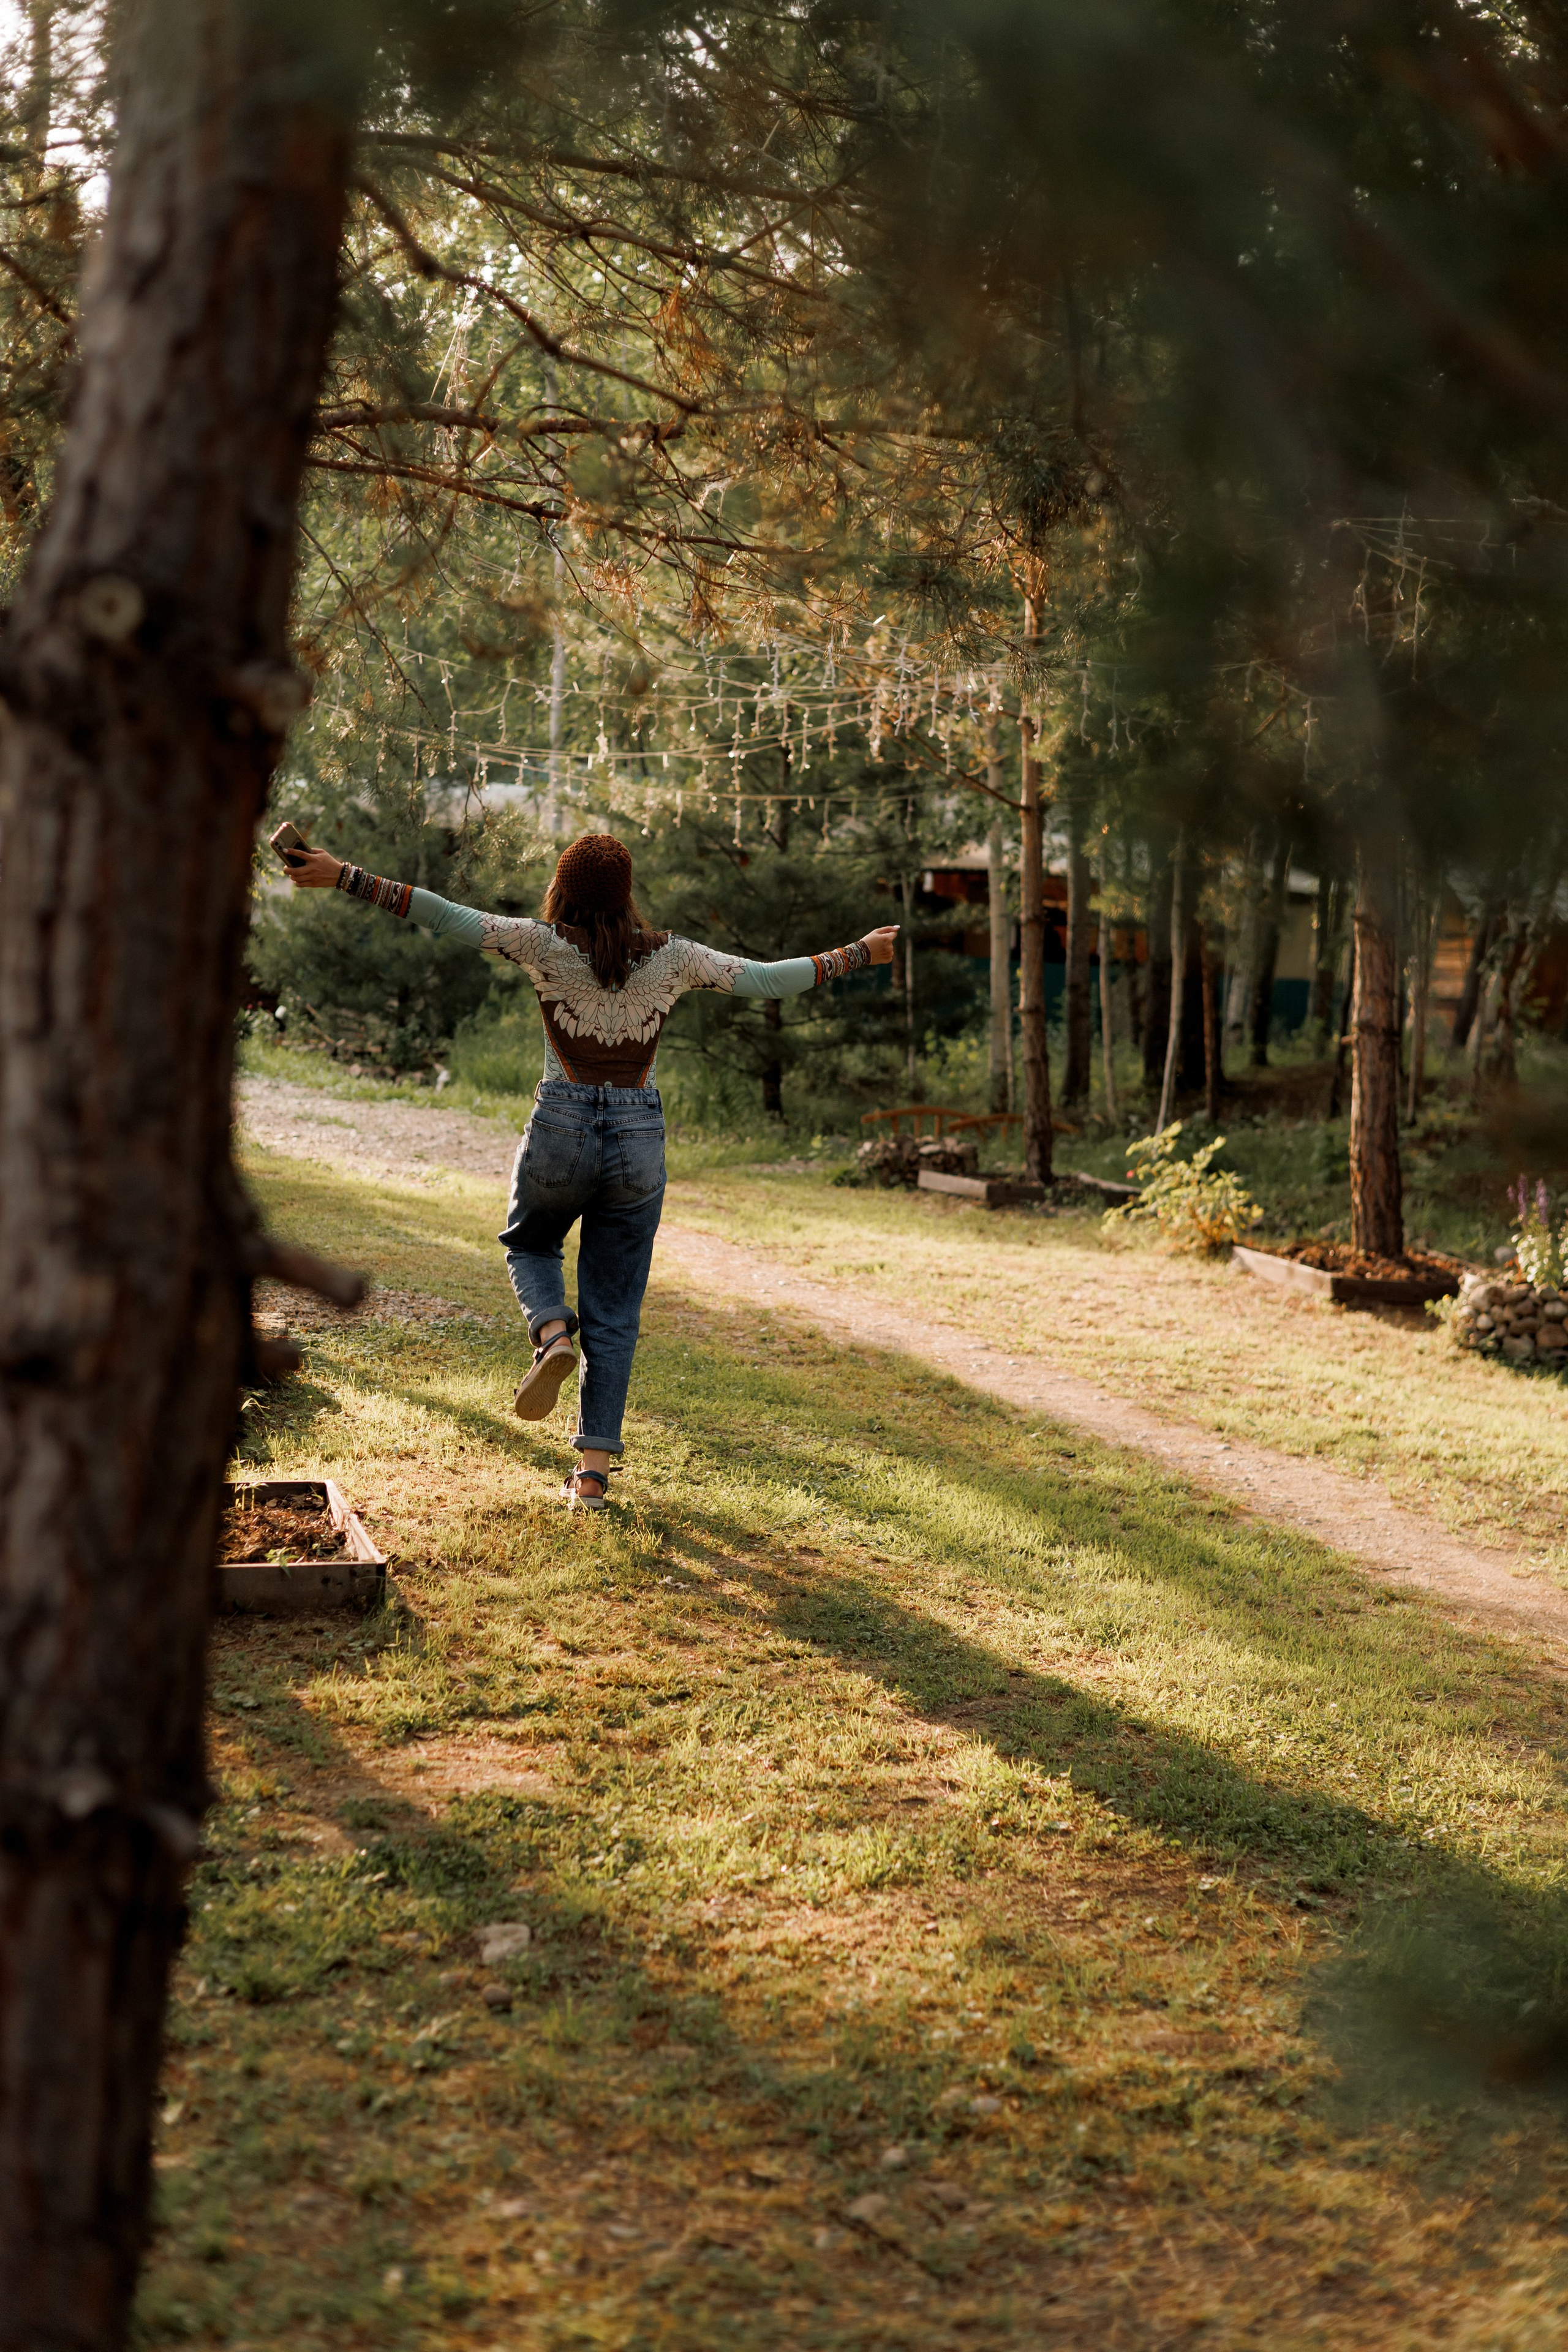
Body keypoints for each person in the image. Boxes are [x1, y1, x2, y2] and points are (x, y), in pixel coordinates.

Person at [283, 832, 899, 1508]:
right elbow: (768, 978)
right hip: (638, 1138)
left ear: (563, 890)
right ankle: (593, 1478)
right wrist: (859, 952)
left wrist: (343, 875)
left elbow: (442, 914)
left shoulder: (540, 943)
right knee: (616, 1308)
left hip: (560, 1127)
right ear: (626, 894)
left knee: (529, 1242)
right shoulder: (676, 957)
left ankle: (550, 1333)